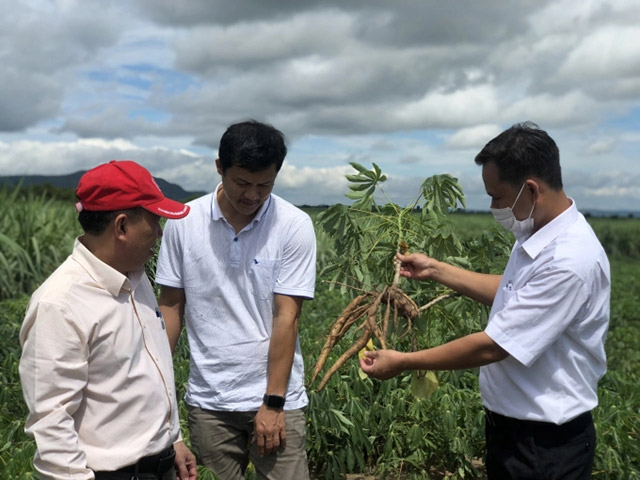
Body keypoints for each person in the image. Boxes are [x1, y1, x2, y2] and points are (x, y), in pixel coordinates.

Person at [360, 122, 610, 480]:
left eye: (497, 197)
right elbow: (514, 293)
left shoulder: (569, 260)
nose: (493, 206)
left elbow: (493, 347)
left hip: (545, 445)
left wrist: (404, 362)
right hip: (512, 432)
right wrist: (436, 269)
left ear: (531, 190)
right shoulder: (534, 231)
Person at [156, 120, 316, 480]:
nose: (252, 195)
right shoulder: (183, 222)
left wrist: (274, 402)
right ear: (219, 168)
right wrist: (156, 388)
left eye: (265, 185)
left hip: (276, 399)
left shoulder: (293, 224)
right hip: (210, 401)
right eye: (242, 183)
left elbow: (286, 317)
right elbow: (170, 307)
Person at [19, 160, 198, 480]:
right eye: (154, 221)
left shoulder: (136, 277)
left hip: (160, 466)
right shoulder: (60, 304)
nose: (159, 233)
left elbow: (150, 370)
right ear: (122, 226)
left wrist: (173, 439)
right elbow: (51, 423)